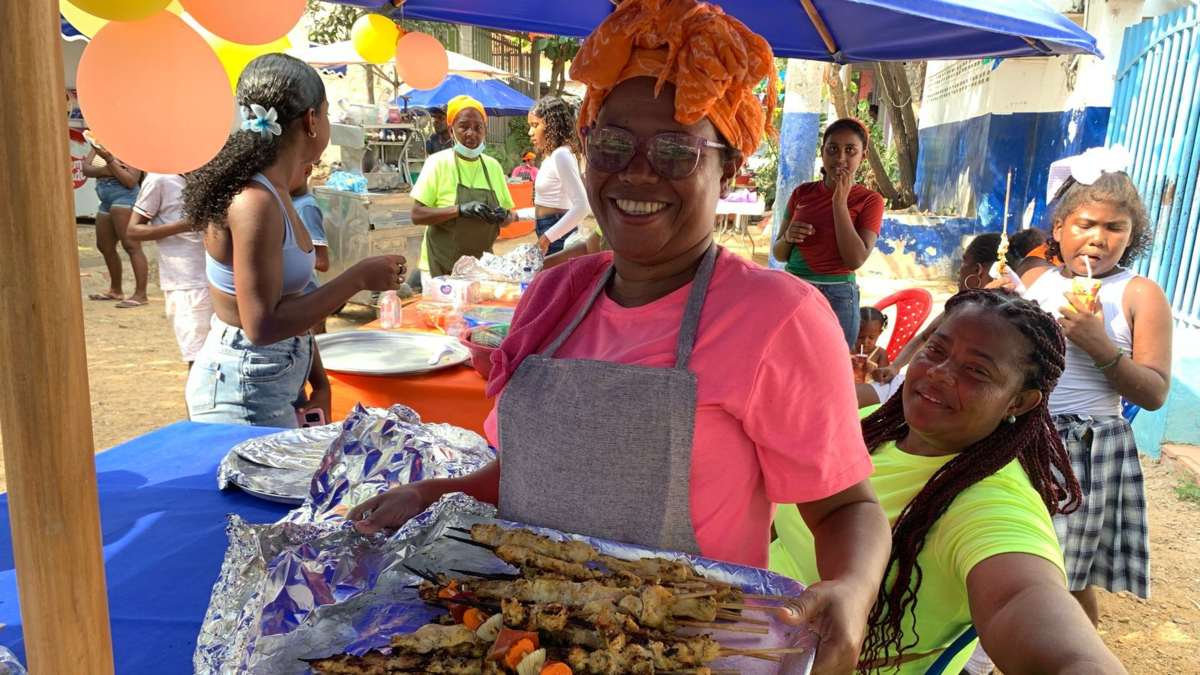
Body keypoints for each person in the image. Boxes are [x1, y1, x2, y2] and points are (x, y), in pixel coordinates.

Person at [347, 3, 891, 673]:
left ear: (729, 170)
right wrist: (430, 495)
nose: (637, 172)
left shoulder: (779, 318)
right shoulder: (554, 296)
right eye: (611, 145)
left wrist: (853, 588)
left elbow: (845, 507)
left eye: (676, 150)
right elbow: (536, 473)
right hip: (528, 647)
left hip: (689, 654)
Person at [773, 289, 1128, 674]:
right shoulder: (869, 426)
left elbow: (1023, 598)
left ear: (1019, 402)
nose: (939, 372)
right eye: (935, 350)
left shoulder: (992, 502)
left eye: (977, 370)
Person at [182, 53, 407, 428]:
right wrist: (357, 278)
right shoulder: (255, 202)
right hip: (243, 388)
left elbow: (292, 302)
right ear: (311, 120)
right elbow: (262, 326)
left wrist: (319, 382)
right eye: (328, 113)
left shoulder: (279, 190)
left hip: (272, 377)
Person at [1017, 167, 1170, 625]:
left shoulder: (1138, 294)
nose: (1098, 239)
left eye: (1114, 228)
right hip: (1020, 434)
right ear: (1059, 228)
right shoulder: (1038, 281)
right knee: (1011, 555)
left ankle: (1077, 654)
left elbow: (1155, 392)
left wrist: (1099, 344)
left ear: (1132, 235)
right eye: (1085, 224)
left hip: (1082, 449)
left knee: (1064, 576)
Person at [773, 118, 885, 347]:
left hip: (838, 296)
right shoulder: (802, 193)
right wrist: (788, 237)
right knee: (788, 359)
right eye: (833, 149)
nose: (840, 158)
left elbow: (855, 259)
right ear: (822, 151)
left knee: (830, 364)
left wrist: (839, 203)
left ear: (863, 155)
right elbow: (779, 254)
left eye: (850, 150)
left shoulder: (870, 200)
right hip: (794, 288)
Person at [865, 233, 1004, 406]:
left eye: (963, 262)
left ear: (977, 270)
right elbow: (925, 337)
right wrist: (894, 367)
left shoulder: (988, 317)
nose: (959, 270)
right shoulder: (960, 306)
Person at [411, 95, 516, 277]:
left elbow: (509, 218)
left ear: (485, 130)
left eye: (478, 127)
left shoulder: (493, 166)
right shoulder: (437, 163)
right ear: (451, 131)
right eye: (464, 126)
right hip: (441, 267)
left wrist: (505, 216)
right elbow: (417, 215)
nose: (471, 133)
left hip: (480, 268)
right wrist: (459, 210)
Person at [125, 173, 213, 374]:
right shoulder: (159, 180)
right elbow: (133, 230)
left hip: (220, 277)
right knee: (198, 358)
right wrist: (183, 225)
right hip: (187, 282)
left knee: (219, 356)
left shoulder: (210, 173)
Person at [523, 96, 591, 256]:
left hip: (557, 239)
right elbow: (548, 206)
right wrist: (515, 216)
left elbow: (583, 205)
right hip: (551, 232)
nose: (530, 132)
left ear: (552, 124)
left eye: (535, 125)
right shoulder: (552, 156)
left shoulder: (561, 155)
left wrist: (547, 239)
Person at [83, 144, 148, 308]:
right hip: (105, 197)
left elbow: (130, 181)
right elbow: (86, 169)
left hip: (124, 197)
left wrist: (109, 160)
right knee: (104, 246)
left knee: (131, 246)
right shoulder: (98, 143)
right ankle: (115, 290)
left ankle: (141, 294)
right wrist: (108, 170)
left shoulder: (130, 146)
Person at [290, 163, 331, 334]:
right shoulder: (286, 201)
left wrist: (284, 254)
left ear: (306, 170)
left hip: (307, 301)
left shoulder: (306, 207)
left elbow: (322, 262)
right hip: (296, 300)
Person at [853, 306, 889, 384]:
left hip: (868, 390)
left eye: (871, 337)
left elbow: (884, 379)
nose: (865, 342)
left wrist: (874, 370)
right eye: (860, 336)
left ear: (880, 333)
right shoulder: (847, 348)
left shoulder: (880, 353)